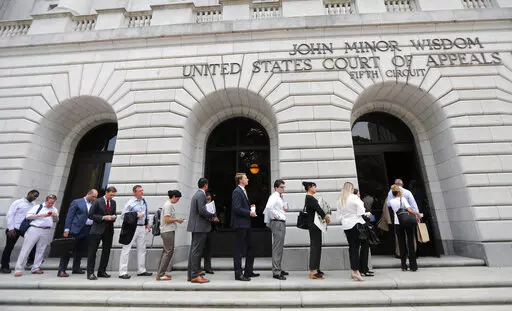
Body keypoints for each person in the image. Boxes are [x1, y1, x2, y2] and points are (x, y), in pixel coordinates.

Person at [14, 194, 59, 276]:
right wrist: (41, 215)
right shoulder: (38, 207)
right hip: (35, 228)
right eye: (49, 202)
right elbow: (28, 216)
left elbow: (55, 220)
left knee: (41, 250)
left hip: (46, 230)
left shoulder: (54, 209)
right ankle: (19, 269)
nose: (51, 204)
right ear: (46, 200)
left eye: (52, 203)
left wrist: (54, 216)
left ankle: (36, 268)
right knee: (26, 248)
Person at [58, 189, 98, 277]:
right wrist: (66, 229)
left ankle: (76, 268)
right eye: (93, 196)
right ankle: (61, 270)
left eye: (96, 197)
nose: (95, 198)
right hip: (75, 229)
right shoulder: (77, 202)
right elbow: (69, 216)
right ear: (88, 194)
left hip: (87, 229)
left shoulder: (93, 204)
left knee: (80, 250)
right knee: (67, 250)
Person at [187, 178, 218, 283]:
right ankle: (195, 275)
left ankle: (191, 274)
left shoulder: (197, 194)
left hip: (197, 226)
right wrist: (213, 216)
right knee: (196, 251)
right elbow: (202, 211)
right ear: (205, 185)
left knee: (194, 251)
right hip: (200, 227)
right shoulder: (201, 195)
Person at [338, 182, 371, 281]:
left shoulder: (340, 199)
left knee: (352, 248)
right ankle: (356, 271)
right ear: (351, 188)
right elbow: (361, 211)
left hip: (346, 225)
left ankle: (354, 271)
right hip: (355, 224)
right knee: (356, 248)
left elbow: (338, 215)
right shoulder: (354, 197)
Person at [119, 185, 152, 279]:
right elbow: (123, 216)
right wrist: (136, 215)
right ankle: (122, 272)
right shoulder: (131, 202)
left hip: (142, 228)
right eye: (140, 191)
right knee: (126, 249)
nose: (142, 192)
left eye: (142, 190)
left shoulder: (144, 201)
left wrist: (147, 223)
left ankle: (141, 270)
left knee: (142, 249)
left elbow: (146, 214)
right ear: (134, 192)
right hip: (132, 228)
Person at [1, 190, 39, 273]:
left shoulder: (33, 204)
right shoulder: (18, 202)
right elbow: (10, 214)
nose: (34, 197)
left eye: (36, 196)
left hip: (24, 229)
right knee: (9, 247)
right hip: (14, 229)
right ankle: (4, 266)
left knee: (33, 242)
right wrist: (10, 228)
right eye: (34, 195)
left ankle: (30, 261)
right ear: (29, 193)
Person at [389, 184, 422, 271]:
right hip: (407, 221)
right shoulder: (402, 199)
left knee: (401, 244)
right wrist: (417, 214)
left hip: (397, 222)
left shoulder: (391, 201)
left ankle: (403, 265)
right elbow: (409, 209)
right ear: (399, 192)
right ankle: (413, 265)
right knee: (410, 242)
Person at [232, 173, 258, 281]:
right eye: (245, 178)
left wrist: (250, 207)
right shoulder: (237, 191)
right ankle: (238, 274)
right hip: (240, 224)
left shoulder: (243, 191)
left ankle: (248, 271)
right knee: (239, 250)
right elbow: (236, 208)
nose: (247, 179)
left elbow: (241, 206)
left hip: (246, 224)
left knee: (251, 247)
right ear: (240, 180)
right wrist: (249, 212)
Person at [87, 186, 117, 280]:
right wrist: (103, 217)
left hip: (108, 230)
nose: (112, 197)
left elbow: (114, 213)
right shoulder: (97, 201)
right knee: (92, 252)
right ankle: (90, 273)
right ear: (106, 192)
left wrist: (113, 217)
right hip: (97, 230)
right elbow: (90, 215)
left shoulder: (113, 202)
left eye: (113, 195)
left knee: (106, 251)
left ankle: (102, 271)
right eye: (111, 195)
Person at [303, 181, 330, 280]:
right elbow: (318, 209)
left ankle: (316, 269)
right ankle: (313, 271)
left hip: (315, 225)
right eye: (314, 186)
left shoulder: (310, 198)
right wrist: (326, 217)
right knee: (315, 246)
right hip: (314, 226)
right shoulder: (310, 198)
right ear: (310, 187)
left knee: (317, 246)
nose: (316, 188)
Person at [263, 179, 289, 280]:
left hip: (280, 222)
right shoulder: (274, 196)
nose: (283, 189)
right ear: (276, 188)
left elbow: (282, 208)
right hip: (278, 222)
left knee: (279, 246)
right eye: (281, 187)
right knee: (277, 247)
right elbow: (269, 207)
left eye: (283, 187)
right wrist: (277, 216)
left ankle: (278, 268)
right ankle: (276, 272)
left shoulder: (279, 197)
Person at [201, 191, 215, 275]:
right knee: (199, 250)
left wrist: (214, 218)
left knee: (208, 250)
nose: (209, 197)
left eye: (210, 196)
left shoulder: (212, 204)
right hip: (202, 229)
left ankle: (208, 268)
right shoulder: (202, 204)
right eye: (207, 196)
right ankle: (197, 269)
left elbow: (214, 214)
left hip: (210, 229)